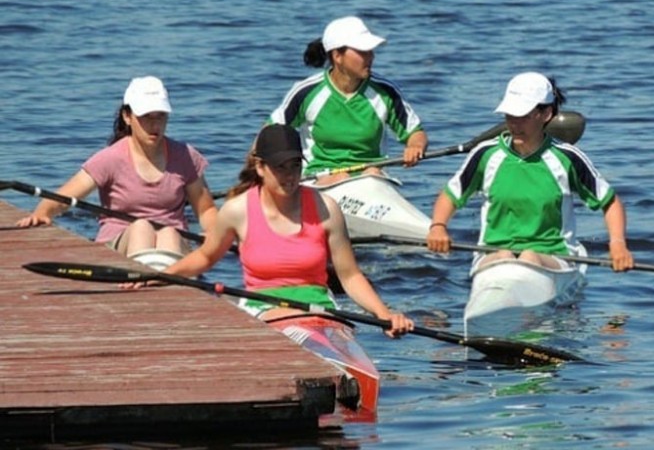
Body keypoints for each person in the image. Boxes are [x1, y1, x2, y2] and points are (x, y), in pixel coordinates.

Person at [159, 123, 414, 337]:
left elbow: (350, 276)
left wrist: (384, 314)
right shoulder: (237, 211)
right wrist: (163, 275)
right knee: (291, 324)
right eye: (280, 167)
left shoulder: (326, 209)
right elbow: (205, 257)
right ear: (260, 167)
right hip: (261, 308)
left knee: (310, 327)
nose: (290, 175)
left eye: (295, 165)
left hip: (319, 307)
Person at [427, 71, 634, 273]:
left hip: (554, 256)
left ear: (546, 114)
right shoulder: (485, 155)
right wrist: (438, 226)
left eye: (523, 116)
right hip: (492, 255)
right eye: (510, 115)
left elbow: (610, 202)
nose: (514, 124)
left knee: (528, 256)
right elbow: (450, 195)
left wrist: (618, 244)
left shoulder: (568, 158)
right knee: (504, 256)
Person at [16, 76, 217, 268]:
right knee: (141, 228)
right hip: (120, 241)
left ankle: (162, 282)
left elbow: (206, 210)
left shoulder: (185, 156)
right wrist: (42, 213)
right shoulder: (110, 159)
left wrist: (212, 231)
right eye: (146, 117)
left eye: (161, 116)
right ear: (127, 116)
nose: (155, 126)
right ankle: (147, 280)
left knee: (169, 234)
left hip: (173, 243)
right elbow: (63, 197)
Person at [268, 16, 428, 185]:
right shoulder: (306, 92)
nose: (371, 57)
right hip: (320, 178)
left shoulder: (385, 92)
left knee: (373, 173)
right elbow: (269, 133)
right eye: (363, 52)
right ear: (338, 56)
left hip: (371, 176)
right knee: (341, 178)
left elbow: (416, 133)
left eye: (371, 51)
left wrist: (415, 147)